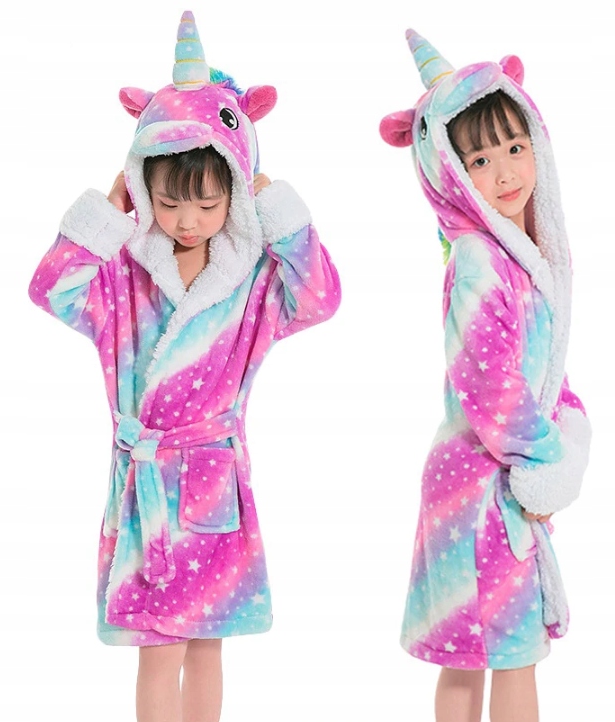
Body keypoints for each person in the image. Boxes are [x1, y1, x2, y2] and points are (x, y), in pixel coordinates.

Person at [29, 11, 340, 722]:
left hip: (211, 485)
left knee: (206, 646)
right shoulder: (120, 274)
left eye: (206, 201)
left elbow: (320, 298)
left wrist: (282, 214)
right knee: (157, 648)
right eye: (169, 201)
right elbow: (49, 290)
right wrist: (103, 218)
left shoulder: (252, 281)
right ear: (143, 189)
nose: (188, 218)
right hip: (146, 492)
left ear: (236, 190)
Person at [380, 30, 590, 722]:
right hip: (477, 489)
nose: (504, 172)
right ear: (448, 172)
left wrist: (568, 430)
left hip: (503, 481)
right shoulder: (477, 262)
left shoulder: (526, 259)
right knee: (487, 654)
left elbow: (545, 370)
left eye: (514, 147)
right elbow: (492, 389)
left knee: (506, 650)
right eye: (478, 159)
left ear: (537, 141)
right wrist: (545, 462)